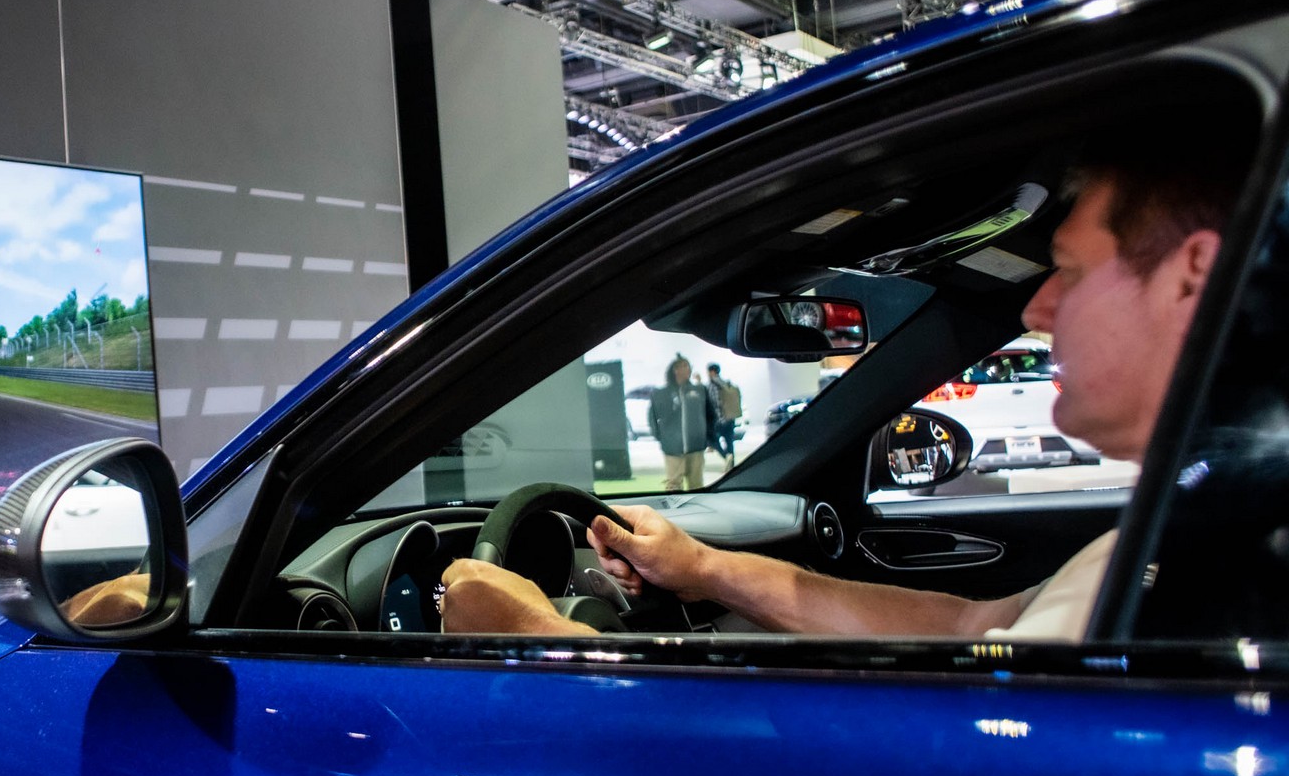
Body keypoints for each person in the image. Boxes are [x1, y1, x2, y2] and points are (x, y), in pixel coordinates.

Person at [443, 150, 1239, 641]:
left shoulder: (1231, 576)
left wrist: (532, 640)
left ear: (1191, 277)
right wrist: (706, 568)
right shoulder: (1172, 541)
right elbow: (969, 626)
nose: (1035, 311)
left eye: (1067, 271)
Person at [645, 355, 717, 492]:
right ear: (675, 370)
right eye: (682, 366)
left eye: (688, 365)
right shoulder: (661, 393)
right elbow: (652, 417)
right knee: (674, 485)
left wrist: (708, 438)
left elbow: (710, 416)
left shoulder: (699, 390)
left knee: (697, 485)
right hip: (672, 448)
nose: (686, 369)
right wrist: (661, 438)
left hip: (696, 447)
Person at [705, 363, 741, 466]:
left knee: (711, 440)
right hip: (730, 417)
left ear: (712, 372)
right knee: (729, 442)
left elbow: (714, 403)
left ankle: (726, 457)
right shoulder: (726, 383)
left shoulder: (711, 385)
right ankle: (732, 466)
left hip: (719, 420)